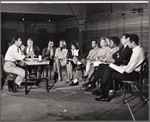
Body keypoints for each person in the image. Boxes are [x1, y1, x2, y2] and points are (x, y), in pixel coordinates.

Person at [95, 33, 145, 101]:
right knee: (109, 70)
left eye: (128, 42)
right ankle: (104, 93)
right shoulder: (137, 50)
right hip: (132, 72)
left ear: (133, 42)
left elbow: (128, 70)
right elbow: (129, 66)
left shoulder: (137, 53)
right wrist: (121, 67)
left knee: (110, 71)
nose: (127, 44)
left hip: (134, 75)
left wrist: (120, 68)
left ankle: (102, 91)